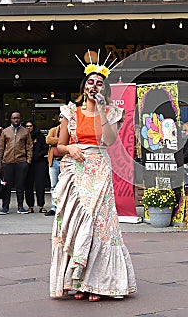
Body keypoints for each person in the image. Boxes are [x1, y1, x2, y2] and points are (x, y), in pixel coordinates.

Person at [49, 61, 137, 301]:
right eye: (91, 82)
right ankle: (76, 281)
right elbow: (59, 146)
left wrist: (100, 110)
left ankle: (96, 283)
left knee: (99, 225)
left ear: (104, 89)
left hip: (99, 169)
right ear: (84, 86)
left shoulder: (111, 112)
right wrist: (71, 148)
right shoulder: (70, 112)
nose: (94, 86)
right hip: (75, 170)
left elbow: (110, 141)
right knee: (74, 223)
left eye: (99, 83)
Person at [0, 111, 33, 215]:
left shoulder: (25, 131)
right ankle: (5, 207)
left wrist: (28, 161)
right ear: (10, 119)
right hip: (7, 162)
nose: (16, 120)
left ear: (20, 118)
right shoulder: (5, 131)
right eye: (14, 118)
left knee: (20, 185)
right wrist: (0, 163)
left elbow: (29, 147)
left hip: (21, 162)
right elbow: (1, 148)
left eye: (17, 118)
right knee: (7, 186)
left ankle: (20, 207)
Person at [23, 120, 48, 213]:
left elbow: (46, 148)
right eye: (26, 126)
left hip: (39, 163)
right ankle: (30, 206)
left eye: (30, 126)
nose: (28, 128)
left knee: (40, 185)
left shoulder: (40, 136)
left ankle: (41, 205)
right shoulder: (23, 136)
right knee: (28, 185)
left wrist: (38, 155)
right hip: (27, 163)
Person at [44, 114, 63, 216]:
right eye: (61, 117)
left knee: (65, 185)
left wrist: (56, 142)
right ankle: (54, 207)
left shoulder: (70, 130)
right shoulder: (53, 130)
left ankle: (63, 207)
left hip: (65, 161)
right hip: (54, 161)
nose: (62, 119)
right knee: (53, 185)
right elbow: (48, 140)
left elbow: (70, 142)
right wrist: (62, 141)